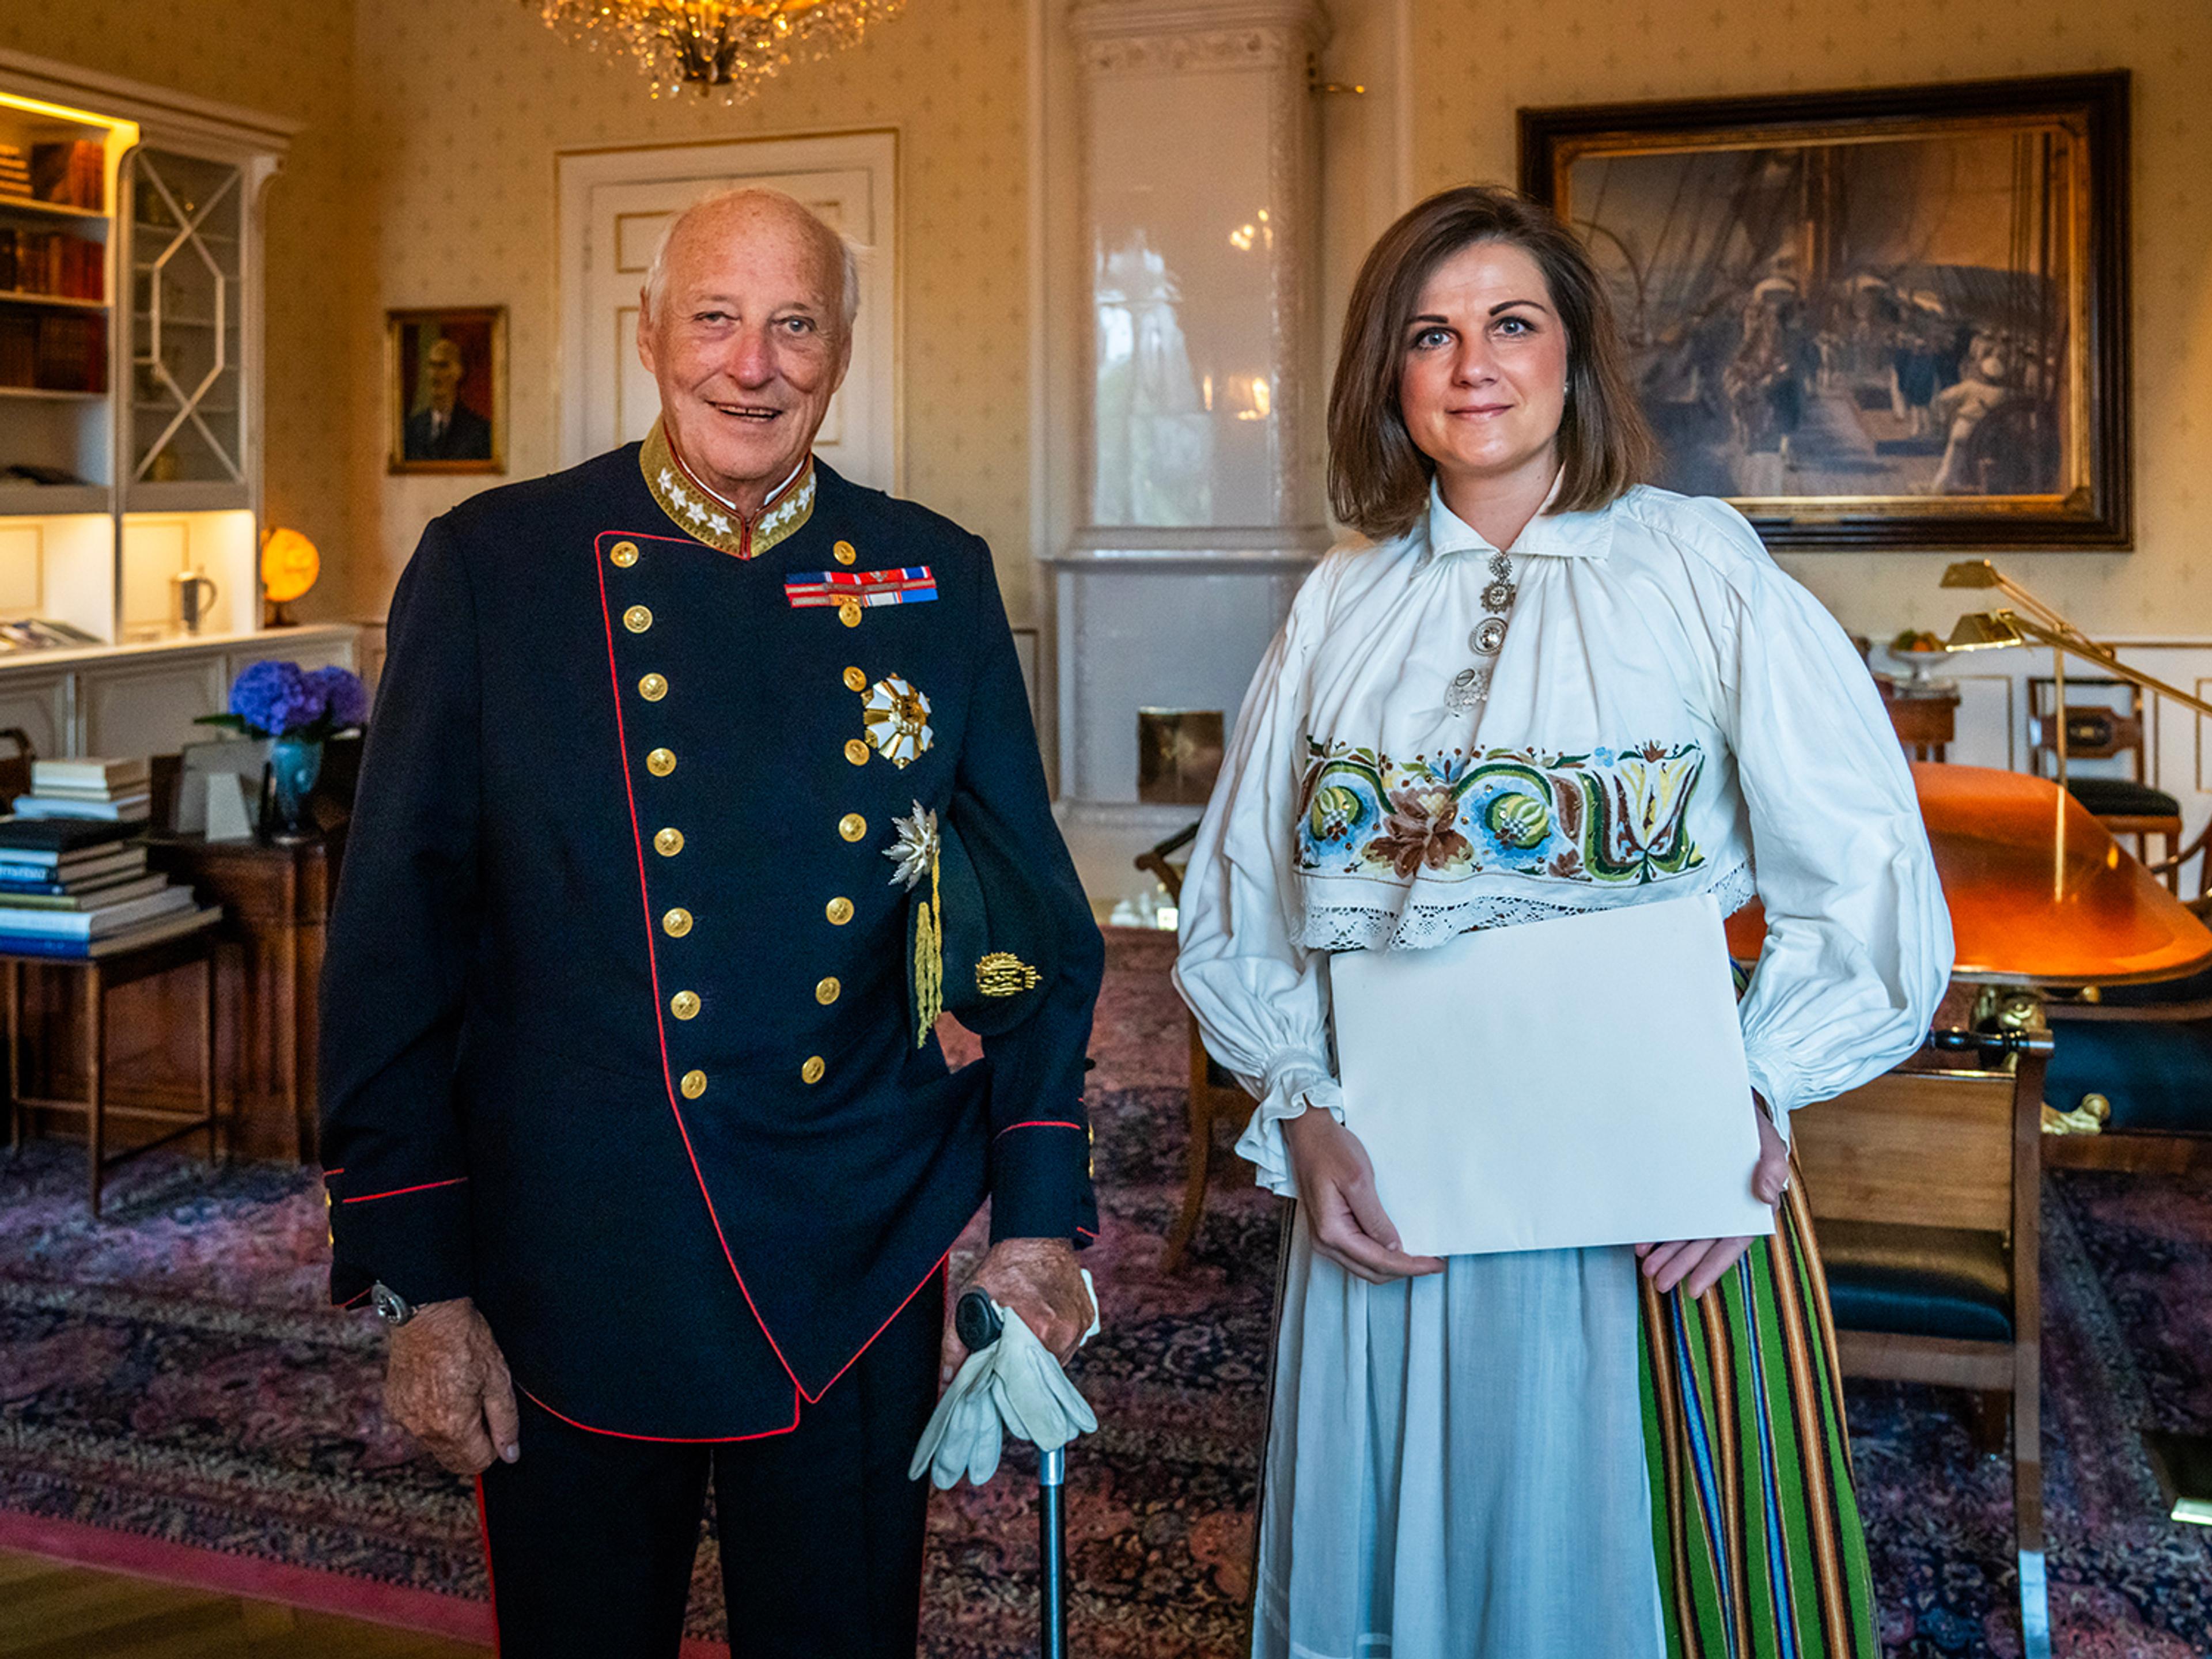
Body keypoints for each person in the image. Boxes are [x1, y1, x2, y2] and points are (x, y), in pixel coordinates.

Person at [321, 187, 1102, 1658]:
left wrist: (1038, 1220)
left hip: (854, 1239)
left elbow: (1031, 931)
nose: (755, 363)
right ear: (650, 336)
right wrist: (418, 1281)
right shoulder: (496, 565)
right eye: (717, 319)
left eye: (794, 323)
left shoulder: (931, 572)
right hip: (578, 1246)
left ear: (842, 350)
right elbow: (392, 945)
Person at [1174, 185, 1951, 1659]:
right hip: (1395, 1192)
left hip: (1649, 1202)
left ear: (1572, 358)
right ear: (1388, 381)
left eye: (1509, 323)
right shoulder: (1339, 604)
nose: (1473, 362)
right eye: (1430, 332)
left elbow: (1860, 867)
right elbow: (1241, 902)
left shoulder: (1697, 565)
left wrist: (1756, 1084)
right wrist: (1306, 1108)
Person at [401, 336, 494, 461]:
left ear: (459, 372)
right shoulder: (411, 430)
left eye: (443, 366)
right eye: (432, 365)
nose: (435, 374)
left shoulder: (480, 432)